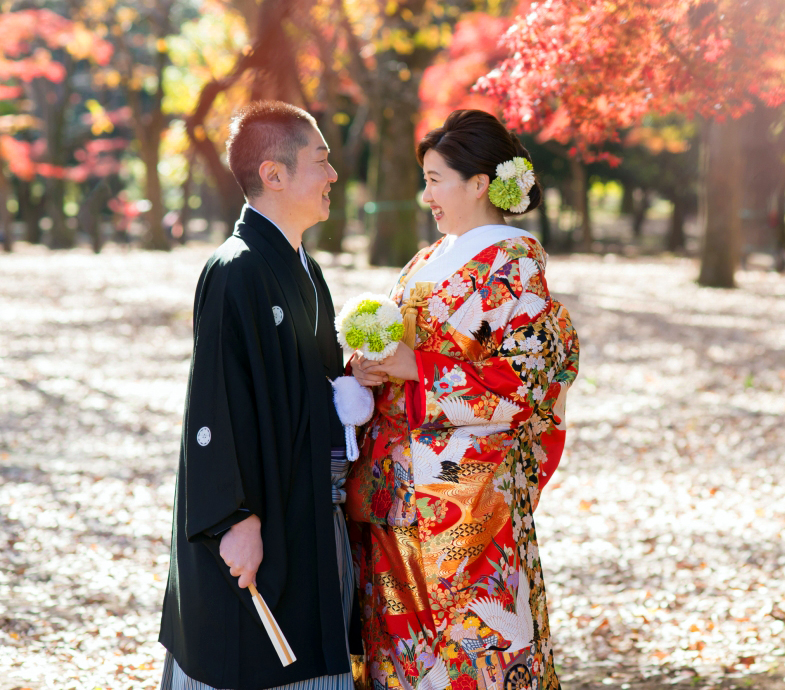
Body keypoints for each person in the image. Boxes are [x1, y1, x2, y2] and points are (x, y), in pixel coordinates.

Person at [345, 109, 579, 690]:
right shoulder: (428, 259)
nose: (425, 195)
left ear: (479, 184)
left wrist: (417, 368)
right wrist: (372, 367)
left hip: (467, 493)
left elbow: (525, 381)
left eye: (434, 178)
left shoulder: (515, 264)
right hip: (394, 489)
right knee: (398, 648)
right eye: (424, 179)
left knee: (477, 643)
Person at [159, 101, 357, 690]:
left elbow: (311, 382)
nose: (333, 175)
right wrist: (233, 517)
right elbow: (212, 402)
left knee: (307, 646)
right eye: (321, 161)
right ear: (274, 174)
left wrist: (353, 380)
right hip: (257, 510)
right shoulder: (235, 269)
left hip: (307, 502)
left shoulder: (305, 268)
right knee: (245, 654)